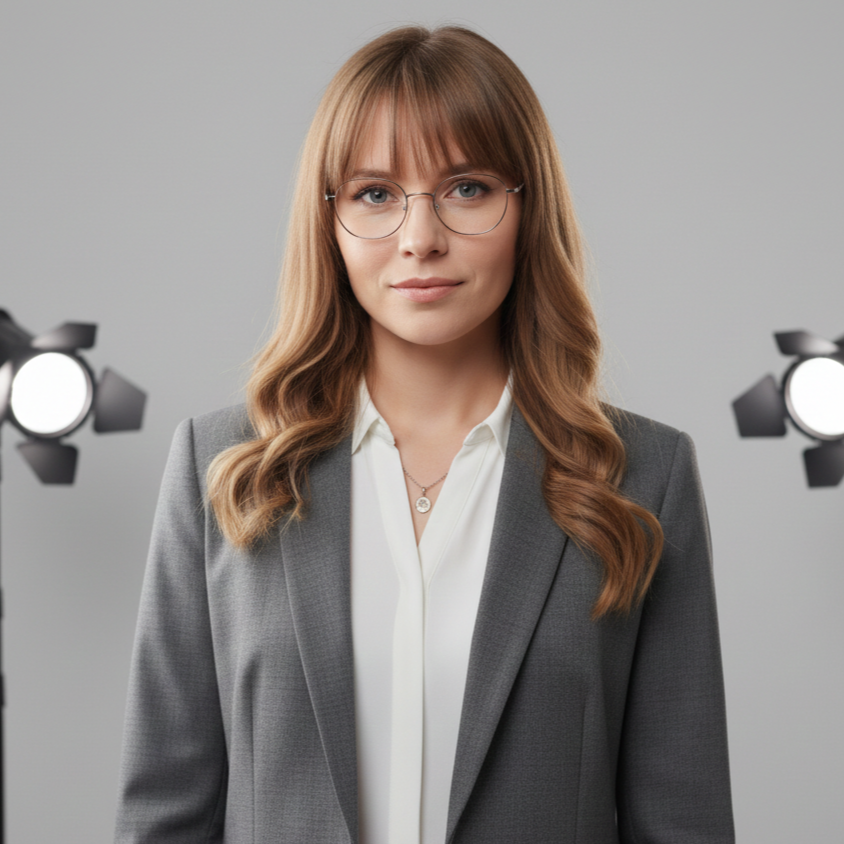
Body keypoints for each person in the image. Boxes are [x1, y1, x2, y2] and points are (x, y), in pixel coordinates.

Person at [113, 23, 735, 844]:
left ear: (528, 207)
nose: (419, 239)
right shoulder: (222, 469)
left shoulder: (643, 477)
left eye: (467, 187)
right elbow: (163, 814)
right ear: (328, 221)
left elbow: (685, 823)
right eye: (374, 194)